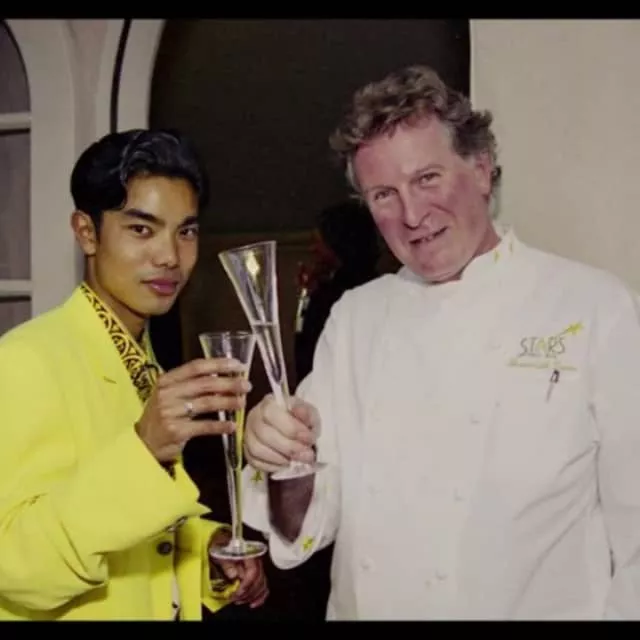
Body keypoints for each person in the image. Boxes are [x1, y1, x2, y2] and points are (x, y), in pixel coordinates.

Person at [239, 64, 640, 620]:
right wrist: (282, 456)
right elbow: (302, 528)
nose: (412, 215)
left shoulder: (594, 308)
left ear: (482, 168)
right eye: (384, 194)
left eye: (427, 178)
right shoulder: (356, 319)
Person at [0, 128, 268, 621]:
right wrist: (144, 449)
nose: (170, 256)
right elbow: (14, 564)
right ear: (86, 232)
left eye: (186, 231)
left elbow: (130, 529)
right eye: (142, 229)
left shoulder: (141, 362)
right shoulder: (23, 362)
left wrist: (204, 550)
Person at [294, 199, 381, 384]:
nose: (312, 249)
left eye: (318, 242)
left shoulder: (334, 296)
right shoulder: (376, 285)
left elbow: (307, 351)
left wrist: (309, 297)